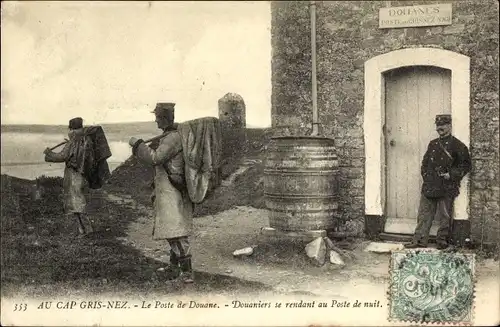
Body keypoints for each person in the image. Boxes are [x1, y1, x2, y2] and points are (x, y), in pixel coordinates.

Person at [128, 103, 194, 283]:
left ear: (164, 117)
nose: (155, 120)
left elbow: (155, 158)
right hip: (169, 189)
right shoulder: (172, 135)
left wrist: (138, 145)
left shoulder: (172, 138)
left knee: (176, 230)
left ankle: (187, 272)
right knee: (171, 228)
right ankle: (174, 266)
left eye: (157, 116)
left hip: (172, 191)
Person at [405, 114, 471, 250]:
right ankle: (419, 240)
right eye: (438, 126)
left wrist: (451, 175)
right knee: (424, 214)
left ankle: (442, 241)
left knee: (445, 216)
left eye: (443, 125)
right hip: (430, 185)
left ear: (449, 126)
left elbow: (466, 166)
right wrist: (426, 176)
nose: (440, 128)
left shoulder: (458, 145)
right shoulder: (433, 144)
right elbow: (425, 163)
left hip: (447, 186)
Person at [44, 117, 94, 236]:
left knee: (76, 202)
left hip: (73, 175)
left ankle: (86, 230)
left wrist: (48, 153)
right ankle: (84, 229)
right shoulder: (87, 139)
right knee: (80, 200)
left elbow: (62, 156)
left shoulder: (72, 142)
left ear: (71, 128)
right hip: (84, 174)